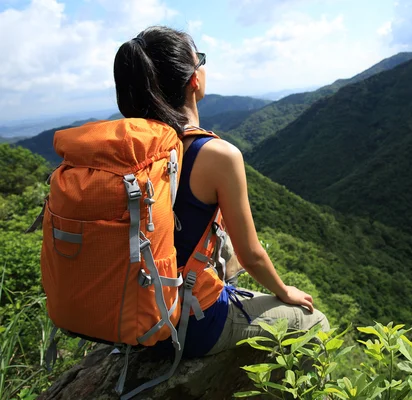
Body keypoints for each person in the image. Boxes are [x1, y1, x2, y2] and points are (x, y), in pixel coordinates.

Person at [113, 25, 329, 357]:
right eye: (199, 59)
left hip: (127, 318)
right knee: (314, 322)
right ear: (193, 80)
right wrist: (285, 291)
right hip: (187, 325)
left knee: (221, 242)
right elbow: (252, 255)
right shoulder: (216, 155)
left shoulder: (121, 150)